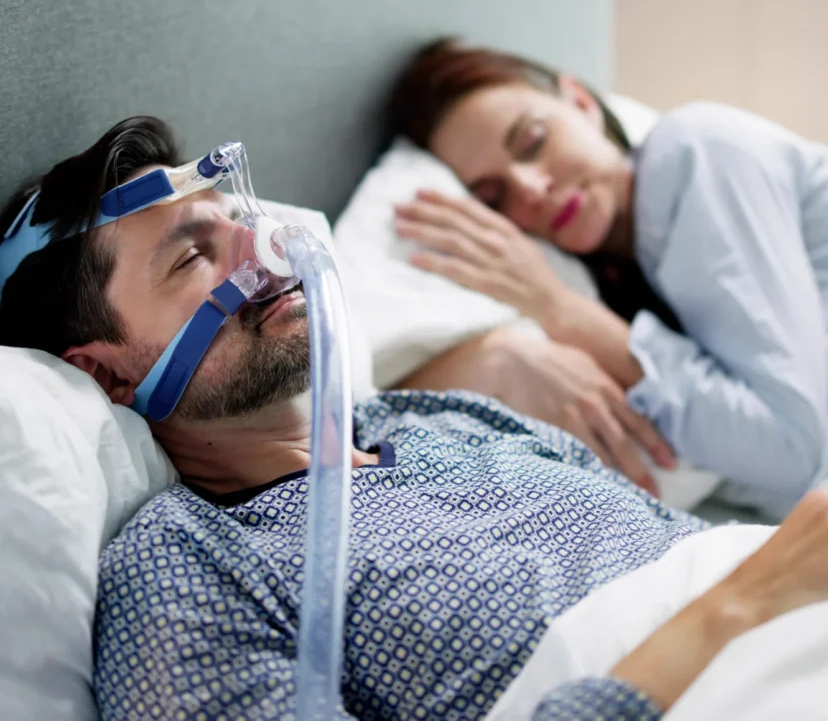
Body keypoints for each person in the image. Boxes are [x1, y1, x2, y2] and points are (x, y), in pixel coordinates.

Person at [2, 117, 828, 720]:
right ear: (105, 373)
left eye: (241, 224)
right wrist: (733, 611)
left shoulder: (446, 421)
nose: (264, 254)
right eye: (192, 257)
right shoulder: (184, 571)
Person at [388, 37, 828, 518]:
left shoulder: (692, 154)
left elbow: (795, 449)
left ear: (581, 102)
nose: (532, 190)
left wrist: (558, 307)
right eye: (495, 198)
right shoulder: (620, 269)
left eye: (533, 142)